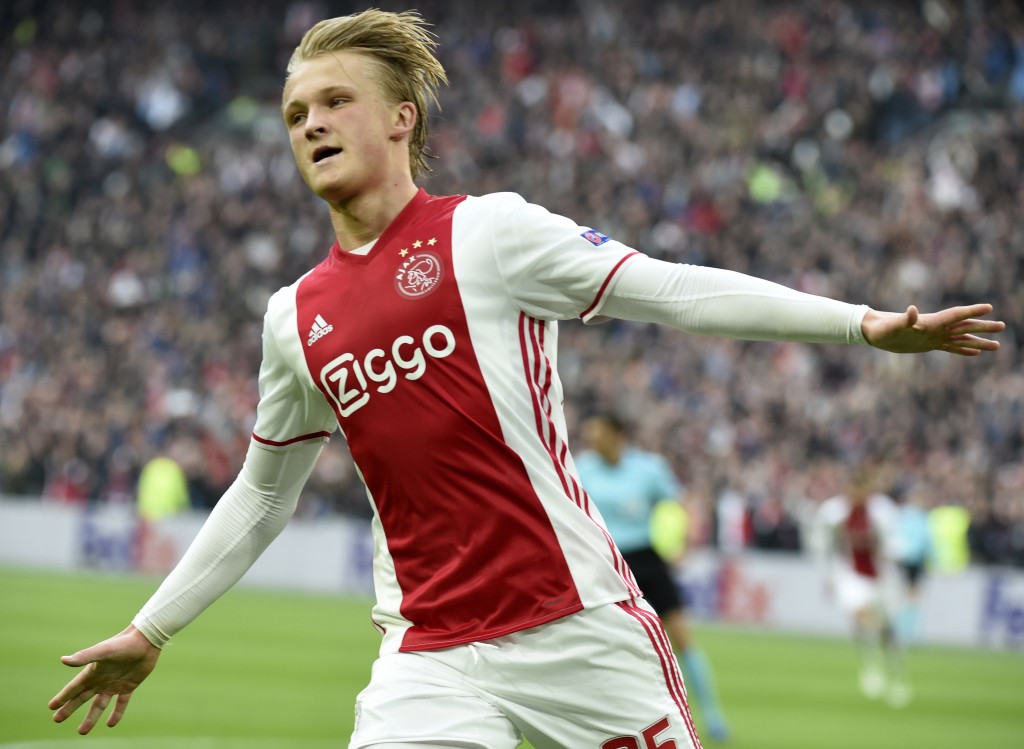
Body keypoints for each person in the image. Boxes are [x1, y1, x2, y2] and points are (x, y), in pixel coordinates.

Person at [47, 9, 1003, 747]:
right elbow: (261, 495)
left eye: (335, 101)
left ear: (399, 118)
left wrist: (862, 324)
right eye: (297, 113)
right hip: (428, 655)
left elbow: (670, 291)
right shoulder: (293, 316)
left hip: (578, 625)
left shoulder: (488, 233)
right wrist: (152, 627)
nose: (311, 124)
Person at [576, 412, 730, 742]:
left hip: (646, 559)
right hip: (605, 562)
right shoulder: (582, 466)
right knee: (608, 644)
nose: (591, 438)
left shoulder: (648, 468)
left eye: (598, 431)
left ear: (617, 434)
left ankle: (713, 715)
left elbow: (682, 504)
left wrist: (685, 545)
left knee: (682, 638)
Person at [815, 465, 911, 708]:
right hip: (853, 576)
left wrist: (882, 548)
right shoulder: (835, 513)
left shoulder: (882, 512)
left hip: (882, 576)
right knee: (862, 617)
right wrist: (829, 576)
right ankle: (871, 669)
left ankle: (897, 676)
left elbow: (897, 544)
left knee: (887, 630)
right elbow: (824, 544)